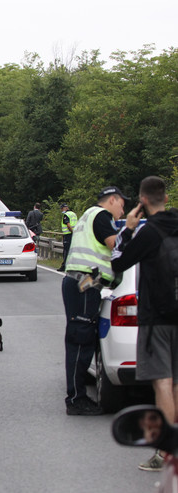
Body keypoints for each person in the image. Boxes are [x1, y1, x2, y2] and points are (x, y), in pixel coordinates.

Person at [111, 176, 178, 471]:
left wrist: (127, 230)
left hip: (157, 319)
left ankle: (165, 452)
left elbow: (118, 263)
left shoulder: (147, 233)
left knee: (162, 381)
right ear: (165, 197)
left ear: (143, 201)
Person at [62, 186, 127, 416]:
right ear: (113, 200)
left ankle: (76, 395)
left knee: (78, 337)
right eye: (122, 204)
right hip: (85, 282)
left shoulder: (88, 215)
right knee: (81, 339)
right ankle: (76, 399)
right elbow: (117, 247)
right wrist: (130, 232)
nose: (123, 210)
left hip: (82, 281)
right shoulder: (102, 217)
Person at [58, 203, 78, 271]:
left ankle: (64, 266)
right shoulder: (74, 214)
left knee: (66, 251)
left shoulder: (66, 215)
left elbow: (68, 225)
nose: (61, 210)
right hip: (74, 235)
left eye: (61, 208)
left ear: (64, 208)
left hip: (68, 234)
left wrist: (72, 232)